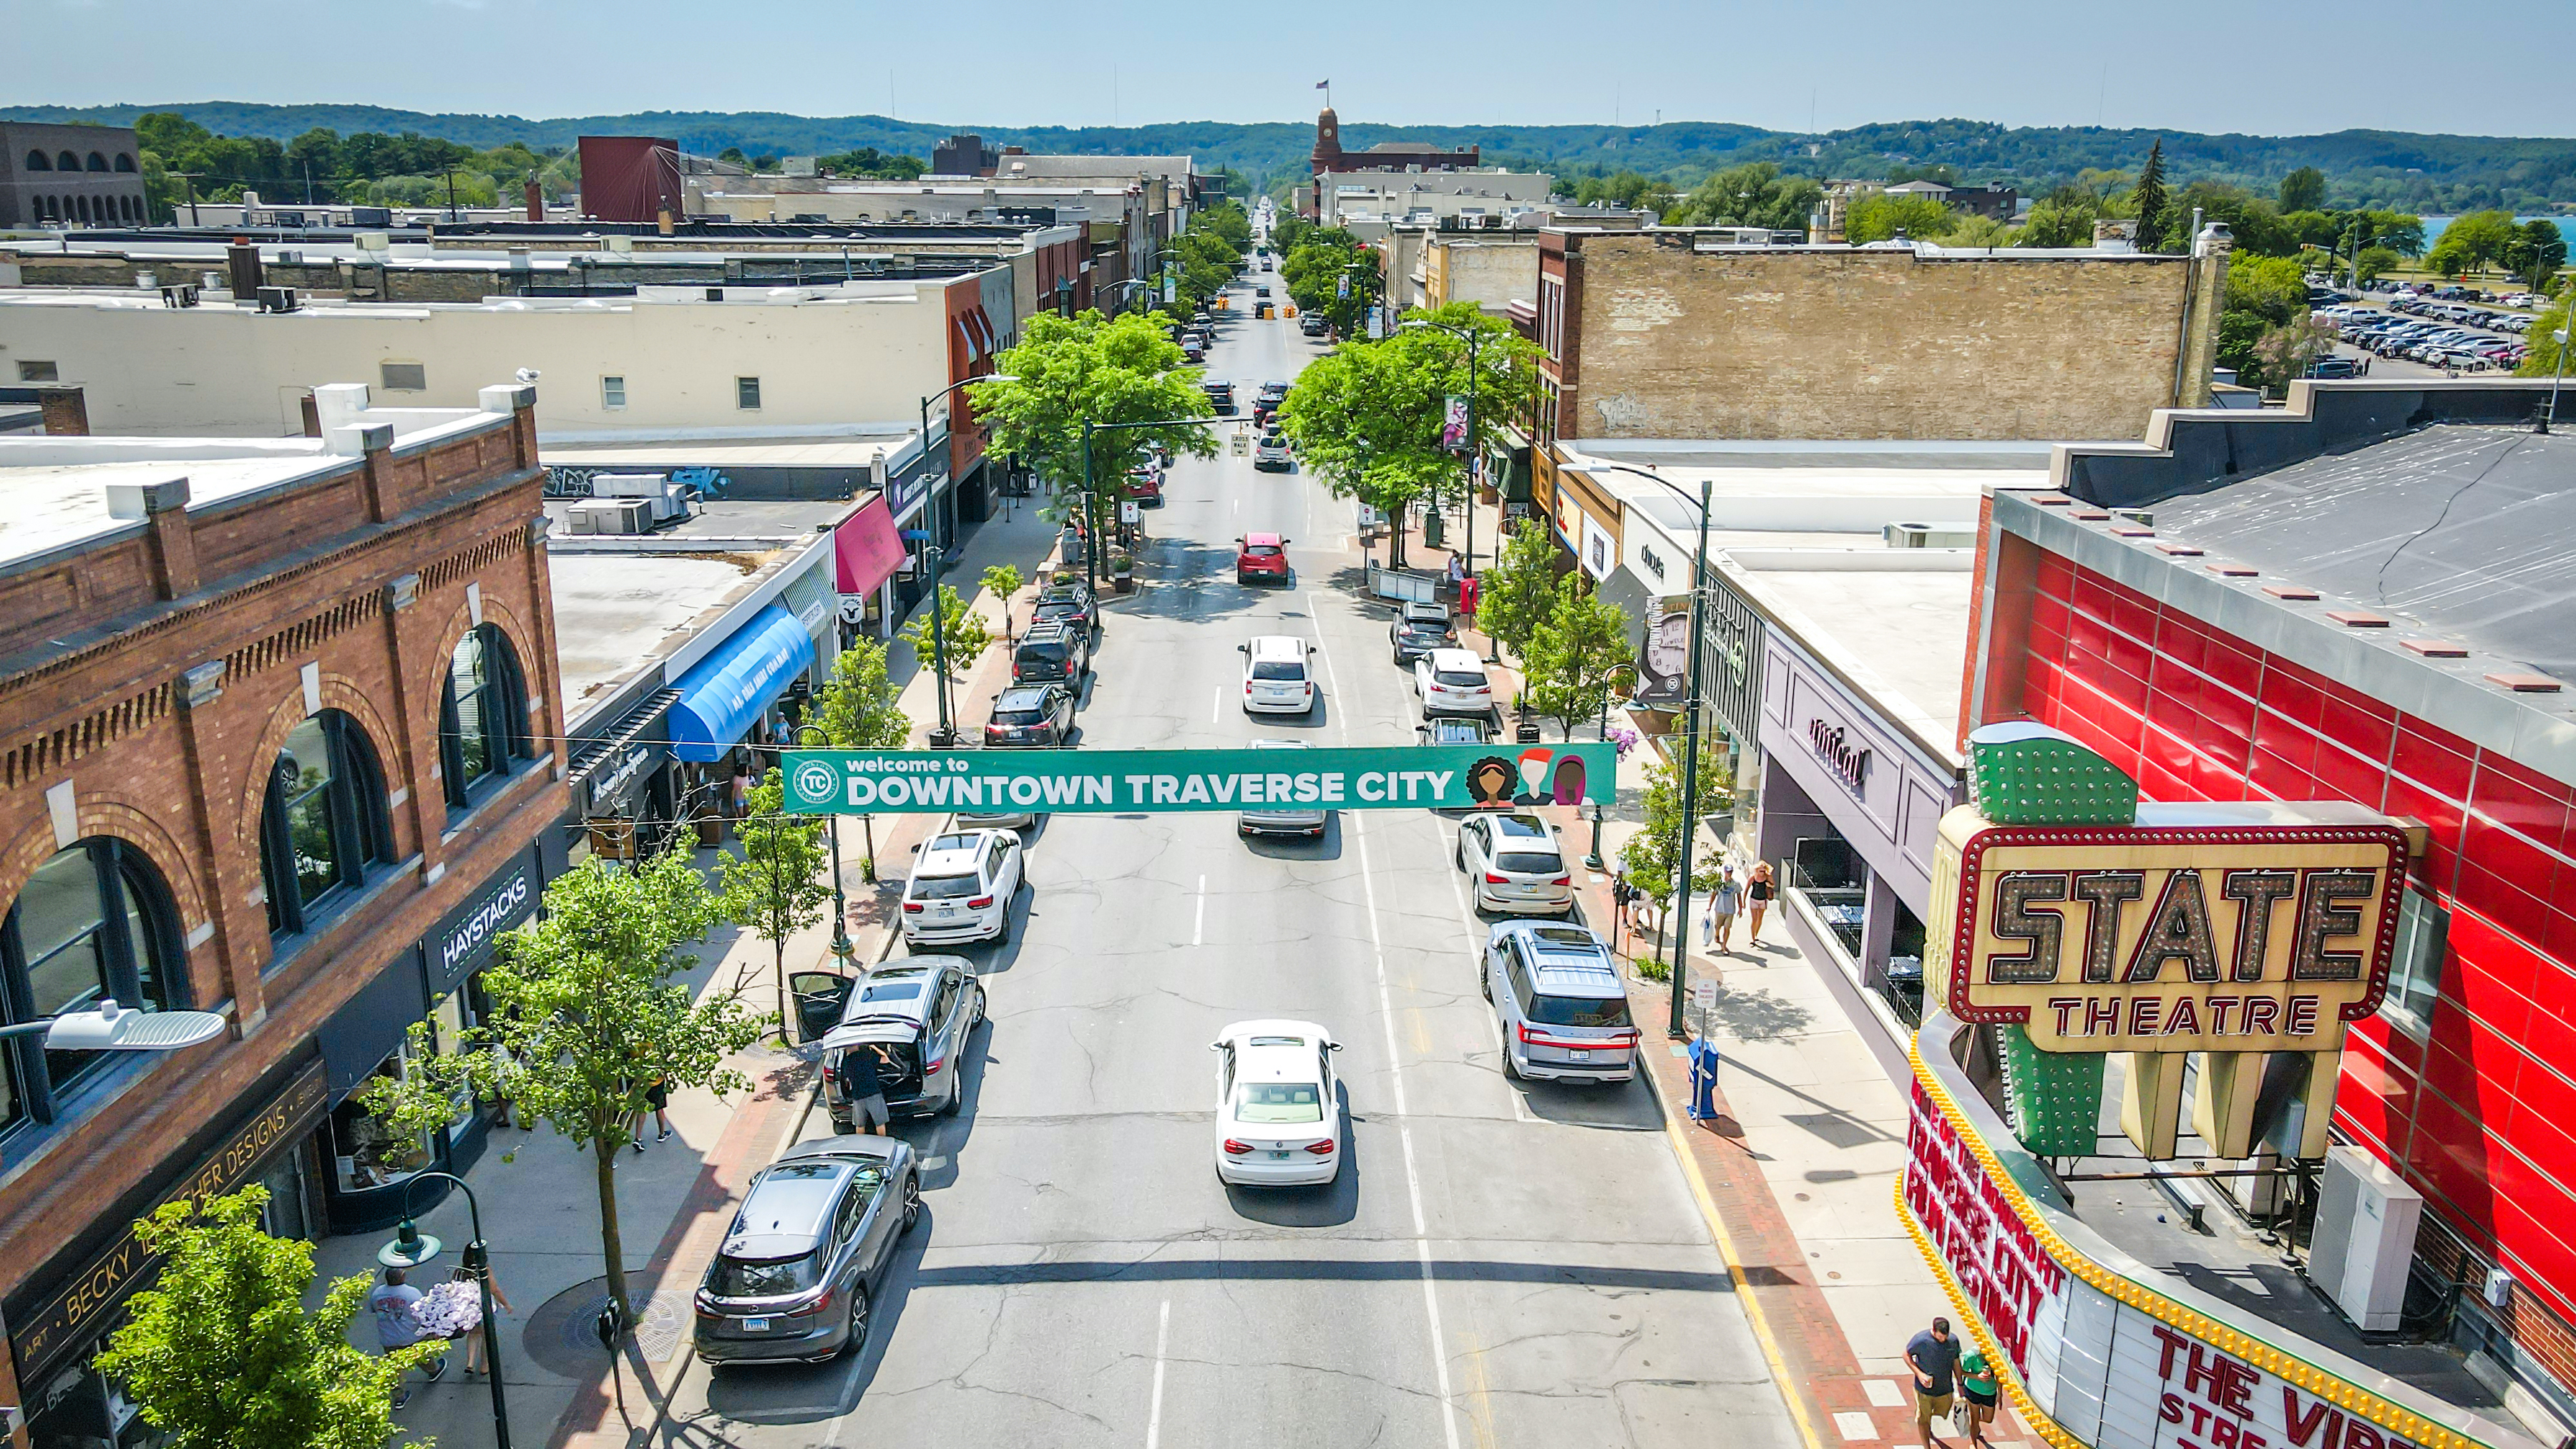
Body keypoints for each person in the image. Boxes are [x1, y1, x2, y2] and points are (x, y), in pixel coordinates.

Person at [368, 1266, 442, 1409]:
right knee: (421, 1356)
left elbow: (374, 1310)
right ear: (402, 1277)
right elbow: (422, 1313)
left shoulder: (377, 1293)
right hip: (410, 1335)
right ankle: (433, 1370)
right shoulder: (411, 1293)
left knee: (395, 1368)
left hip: (388, 1338)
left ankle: (399, 1397)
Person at [1908, 1316, 1962, 1446]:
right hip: (1924, 1390)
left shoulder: (1953, 1341)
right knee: (1923, 1419)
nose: (1942, 1340)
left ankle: (1928, 1427)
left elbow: (1956, 1362)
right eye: (1939, 1337)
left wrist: (1960, 1383)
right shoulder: (1921, 1340)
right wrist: (1919, 1374)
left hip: (1944, 1389)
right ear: (1933, 1330)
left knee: (1941, 1412)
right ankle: (1927, 1445)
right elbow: (1906, 1354)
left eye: (1945, 1337)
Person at [836, 1047, 891, 1136]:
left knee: (860, 1125)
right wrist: (874, 1047)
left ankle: (861, 1145)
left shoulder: (845, 1062)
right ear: (858, 1045)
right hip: (873, 1094)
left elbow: (845, 1078)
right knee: (880, 1123)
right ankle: (882, 1144)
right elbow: (886, 1059)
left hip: (858, 1097)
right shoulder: (866, 1055)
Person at [1958, 1346, 1999, 1445]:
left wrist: (2000, 1394)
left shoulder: (1996, 1353)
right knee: (1974, 1419)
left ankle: (1973, 1422)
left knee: (1988, 1419)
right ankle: (1973, 1442)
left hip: (1990, 1392)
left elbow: (2000, 1374)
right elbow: (1961, 1371)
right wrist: (1977, 1376)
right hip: (1973, 1390)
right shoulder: (1972, 1355)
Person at [629, 1073, 670, 1151]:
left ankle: (638, 1138)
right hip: (657, 1083)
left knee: (643, 1109)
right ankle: (662, 1134)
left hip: (642, 1083)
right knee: (659, 1108)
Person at [1706, 865, 1742, 954]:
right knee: (1717, 926)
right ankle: (1717, 935)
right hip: (1720, 909)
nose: (1729, 873)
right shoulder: (1719, 883)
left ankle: (1724, 946)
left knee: (1727, 928)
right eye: (1728, 872)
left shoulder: (1735, 884)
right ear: (1725, 872)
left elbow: (1739, 897)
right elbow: (1714, 894)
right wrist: (1709, 905)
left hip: (1730, 911)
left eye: (1731, 872)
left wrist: (1740, 909)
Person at [1746, 861, 1777, 945]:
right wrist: (1743, 902)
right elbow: (1747, 889)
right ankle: (1753, 938)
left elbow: (1773, 885)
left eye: (1764, 871)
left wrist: (1769, 884)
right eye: (1761, 871)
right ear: (1757, 870)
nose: (1762, 873)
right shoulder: (1753, 878)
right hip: (1754, 899)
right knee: (1754, 919)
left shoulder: (1767, 877)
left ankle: (1756, 934)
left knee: (1760, 919)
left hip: (1763, 900)